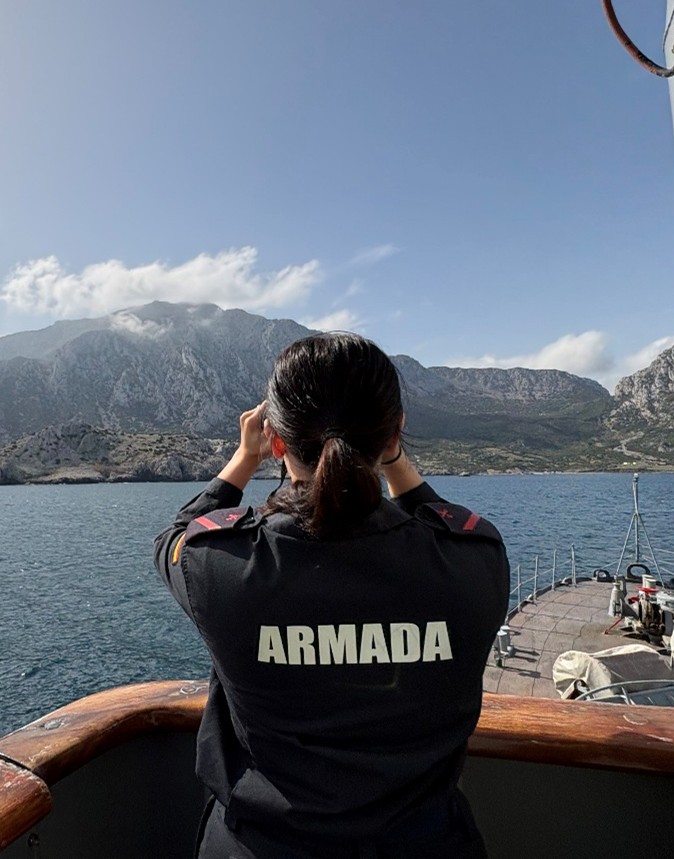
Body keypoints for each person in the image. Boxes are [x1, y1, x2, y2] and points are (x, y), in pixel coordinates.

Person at [154, 332, 510, 858]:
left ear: (277, 441)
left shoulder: (220, 564)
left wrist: (245, 458)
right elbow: (431, 517)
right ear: (393, 435)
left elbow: (173, 538)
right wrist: (393, 457)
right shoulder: (473, 559)